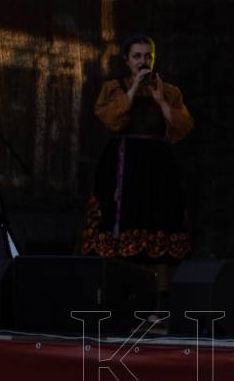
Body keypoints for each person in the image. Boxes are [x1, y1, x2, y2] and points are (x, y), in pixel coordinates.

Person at [84, 33, 195, 291]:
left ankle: (158, 294)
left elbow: (182, 127)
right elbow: (112, 120)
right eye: (137, 56)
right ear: (126, 60)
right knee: (121, 220)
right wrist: (133, 89)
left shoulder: (169, 91)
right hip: (124, 165)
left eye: (148, 56)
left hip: (157, 166)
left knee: (159, 221)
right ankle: (118, 290)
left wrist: (160, 100)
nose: (143, 61)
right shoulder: (114, 88)